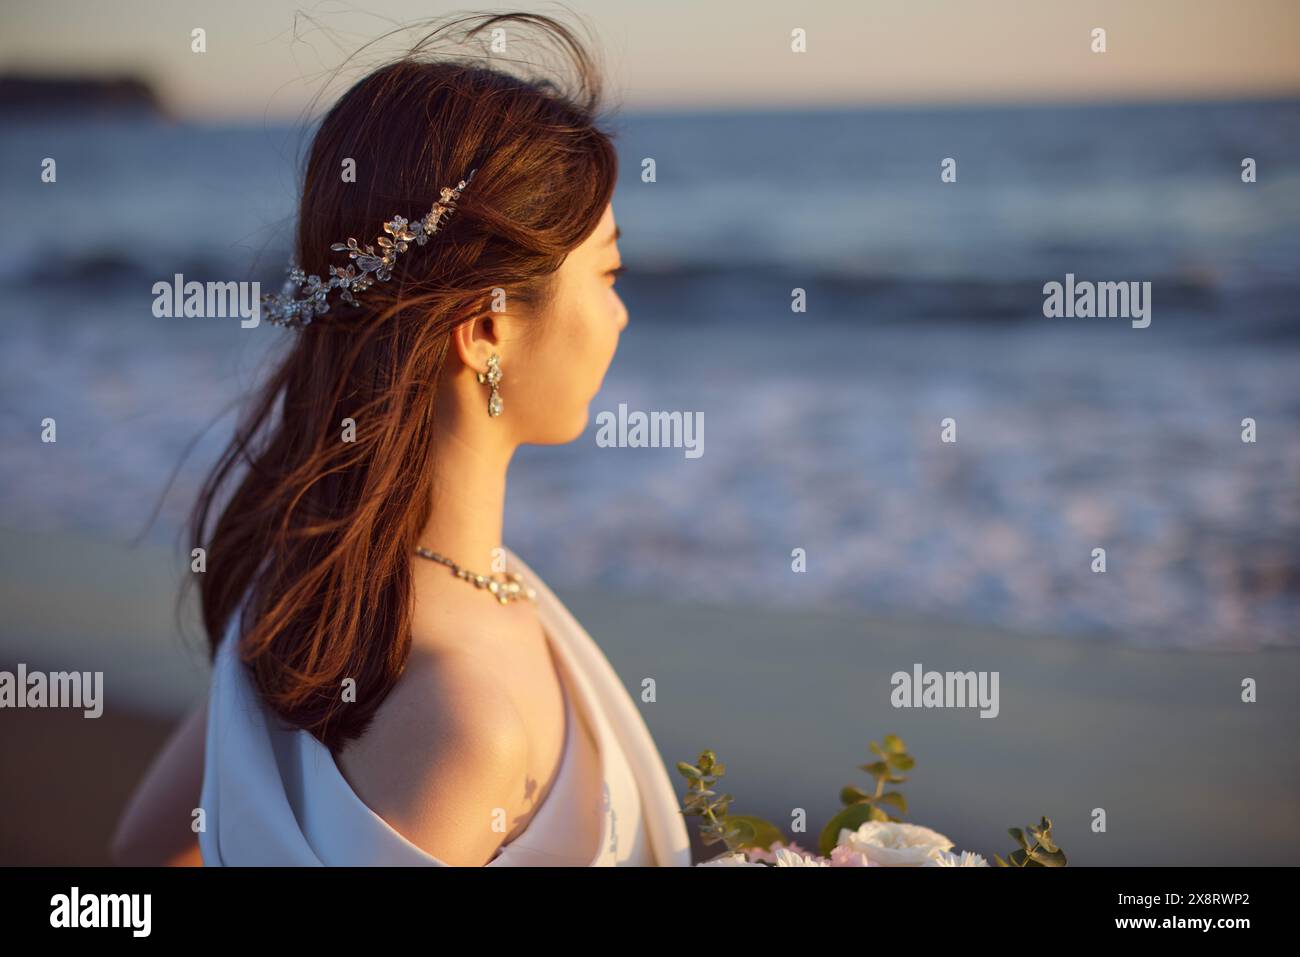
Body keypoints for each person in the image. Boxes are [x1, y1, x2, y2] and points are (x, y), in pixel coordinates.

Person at [110, 12, 691, 867]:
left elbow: (144, 848)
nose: (620, 312)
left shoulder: (310, 595)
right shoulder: (466, 722)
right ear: (485, 326)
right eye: (607, 273)